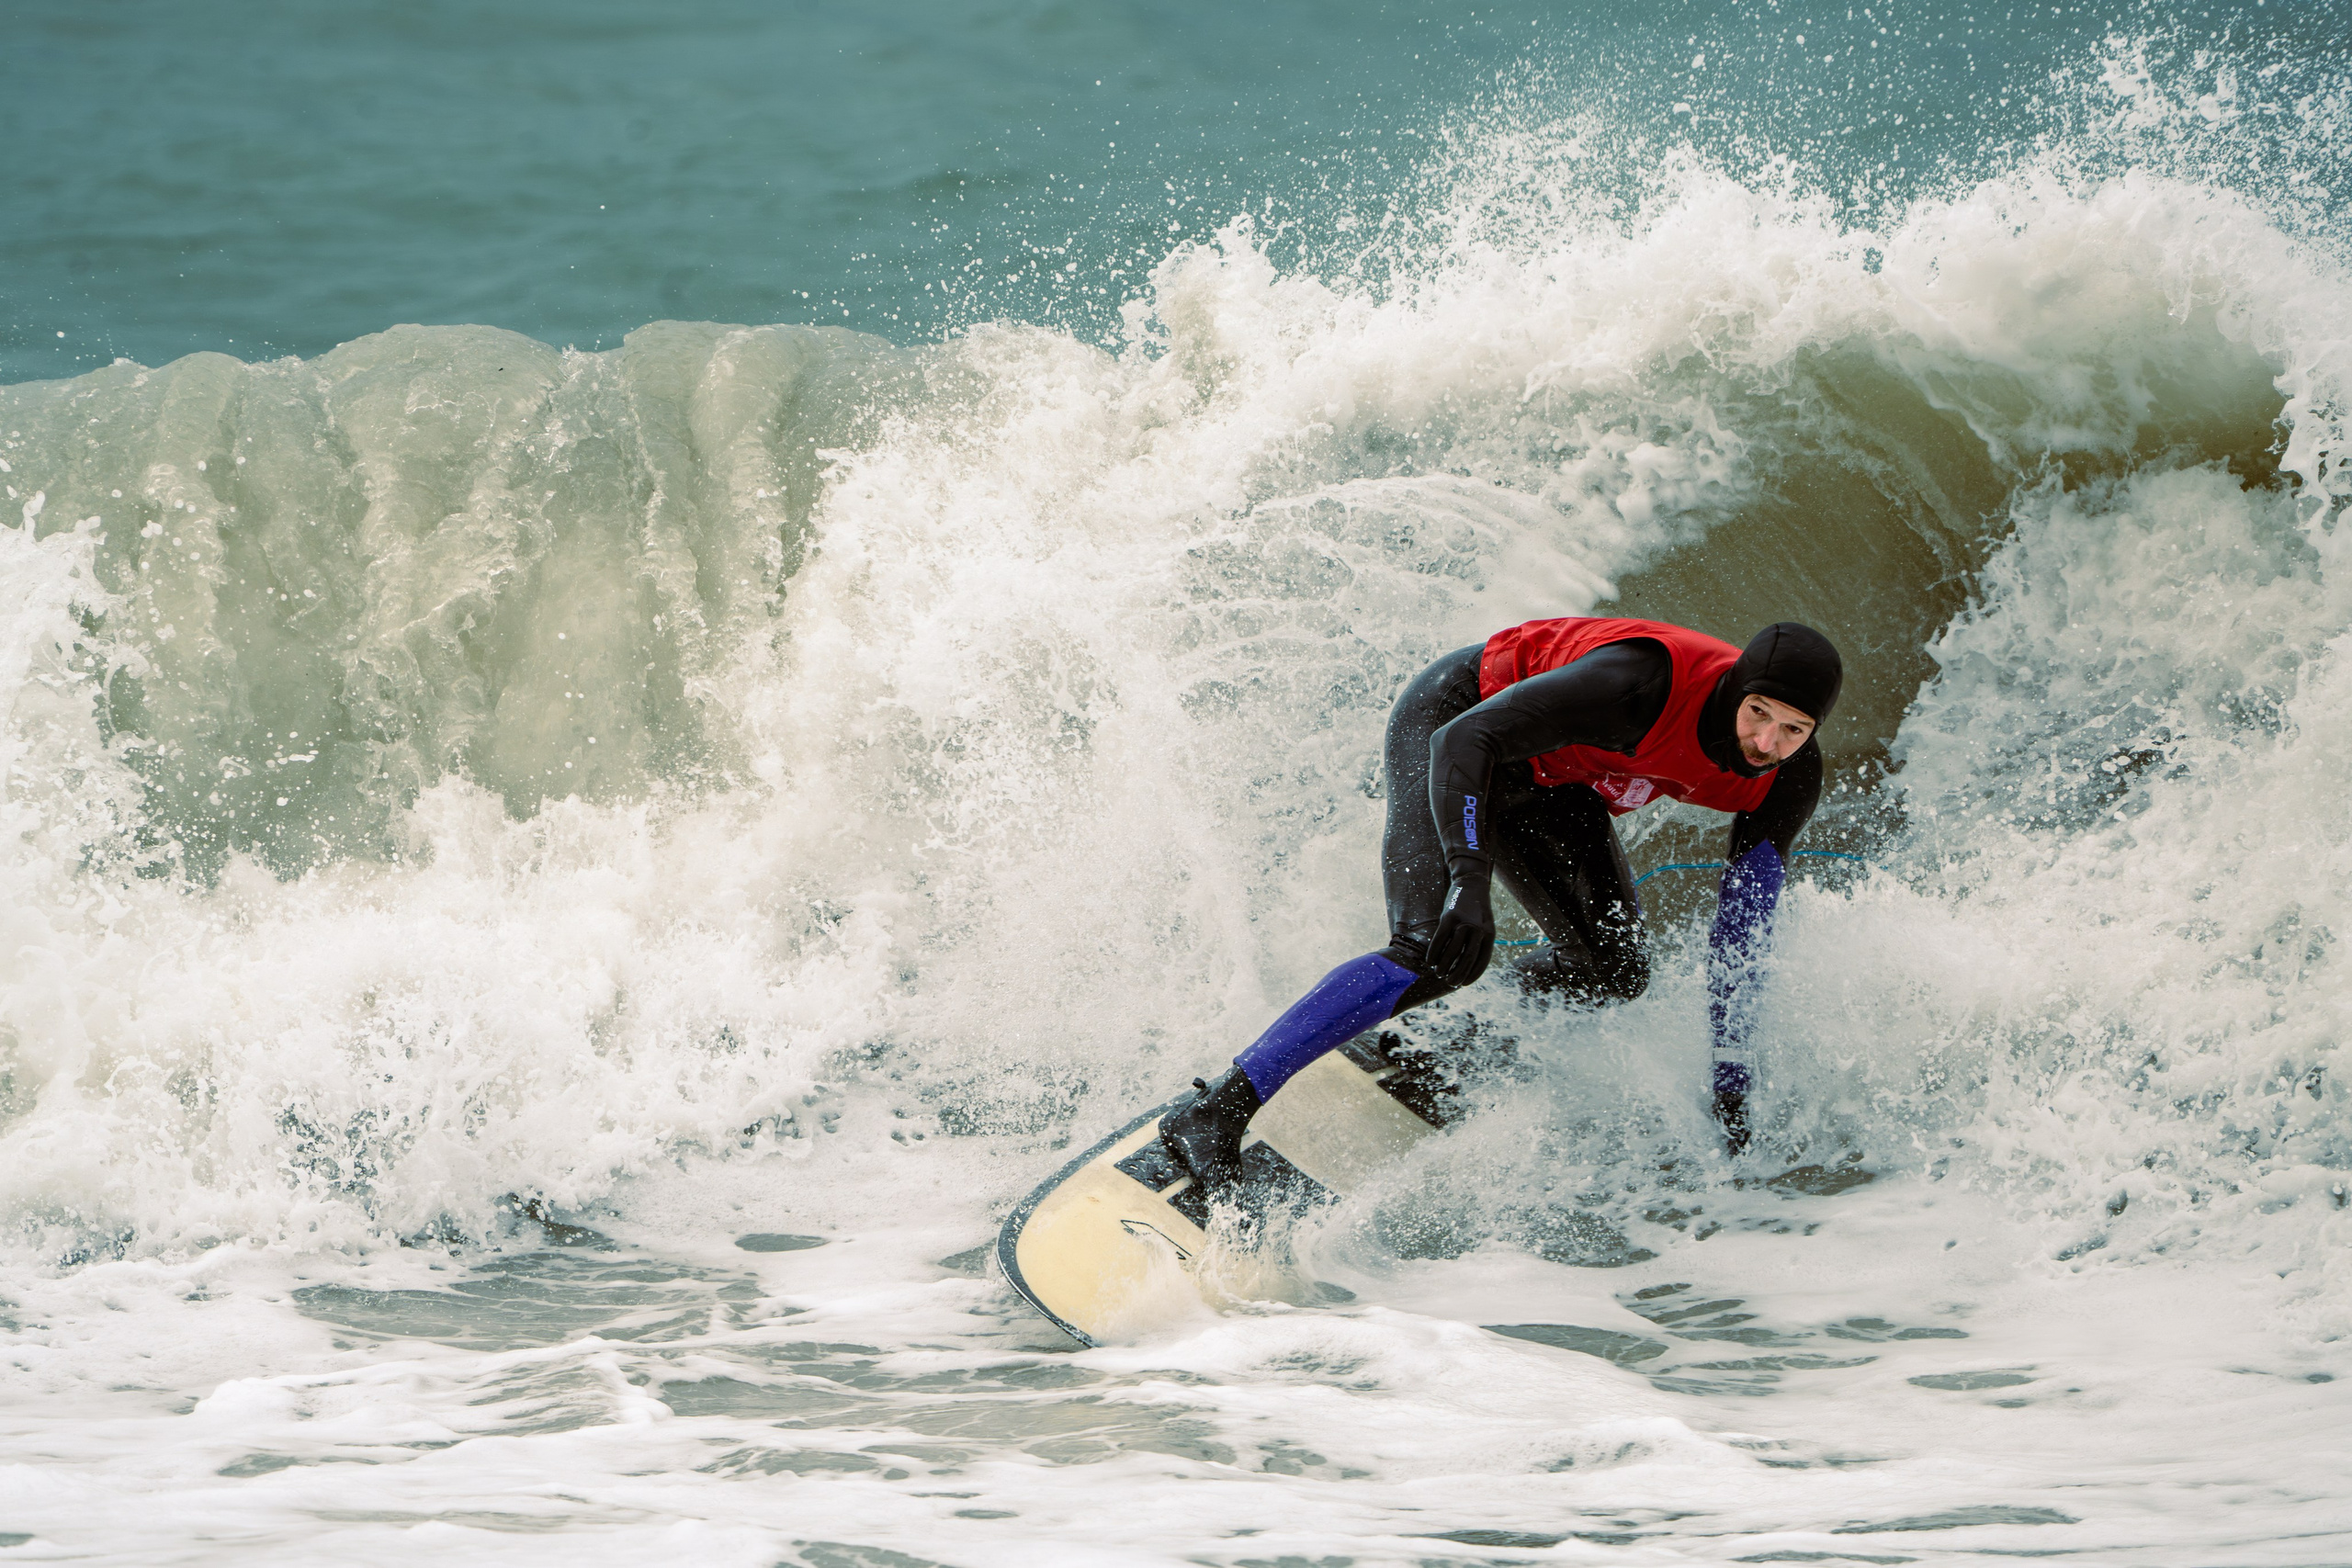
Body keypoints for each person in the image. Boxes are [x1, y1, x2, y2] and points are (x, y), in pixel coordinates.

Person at [1159, 616, 1842, 1185]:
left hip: (1552, 776)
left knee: (1614, 966)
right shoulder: (1643, 683)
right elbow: (1464, 739)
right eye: (1759, 715)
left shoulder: (1785, 779)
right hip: (1457, 723)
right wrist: (1468, 876)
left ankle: (1445, 1041)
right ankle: (1217, 1108)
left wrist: (1731, 1083)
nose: (1766, 744)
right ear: (1734, 690)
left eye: (1793, 730)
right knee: (1432, 947)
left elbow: (1741, 933)